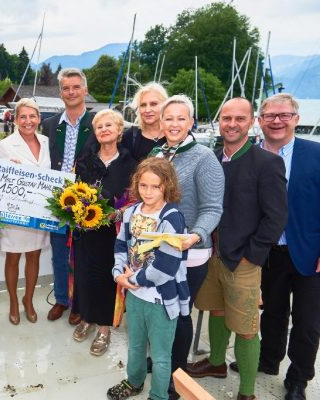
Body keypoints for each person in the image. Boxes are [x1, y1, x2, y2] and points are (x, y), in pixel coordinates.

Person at [185, 97, 288, 400]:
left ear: (252, 121)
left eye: (239, 119)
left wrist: (251, 255)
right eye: (226, 118)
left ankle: (247, 392)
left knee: (245, 326)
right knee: (216, 310)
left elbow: (276, 217)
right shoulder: (210, 157)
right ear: (219, 121)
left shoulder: (267, 162)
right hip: (210, 253)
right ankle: (217, 363)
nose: (231, 124)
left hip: (243, 259)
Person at [150, 94, 224, 398]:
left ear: (191, 122)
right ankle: (160, 362)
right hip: (155, 249)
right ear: (161, 121)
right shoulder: (156, 152)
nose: (175, 124)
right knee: (157, 312)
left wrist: (195, 236)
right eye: (169, 118)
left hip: (189, 253)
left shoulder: (204, 157)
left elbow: (212, 209)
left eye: (181, 118)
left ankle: (174, 378)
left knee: (178, 315)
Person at [107, 157, 188, 400]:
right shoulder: (131, 212)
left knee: (162, 356)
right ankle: (134, 381)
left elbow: (167, 265)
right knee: (135, 346)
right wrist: (118, 273)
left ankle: (159, 395)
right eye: (143, 186)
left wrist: (136, 279)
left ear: (167, 186)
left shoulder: (172, 218)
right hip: (134, 294)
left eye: (156, 186)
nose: (149, 192)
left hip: (160, 300)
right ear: (136, 185)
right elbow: (121, 244)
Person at [256, 93, 320, 400]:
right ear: (260, 121)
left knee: (307, 322)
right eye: (270, 116)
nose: (277, 121)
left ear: (296, 119)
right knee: (272, 314)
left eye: (284, 115)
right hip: (269, 254)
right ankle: (268, 361)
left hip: (310, 253)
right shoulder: (251, 154)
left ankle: (298, 379)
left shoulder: (315, 153)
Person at [71, 109, 136, 355]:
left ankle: (104, 328)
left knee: (109, 278)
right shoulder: (85, 160)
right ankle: (87, 318)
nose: (104, 130)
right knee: (85, 275)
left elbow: (136, 201)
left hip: (114, 234)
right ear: (95, 133)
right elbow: (72, 193)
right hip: (86, 232)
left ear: (120, 131)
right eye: (99, 127)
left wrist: (117, 214)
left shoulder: (131, 164)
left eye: (110, 125)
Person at [41, 67, 96, 324]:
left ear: (85, 90)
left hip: (88, 202)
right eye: (66, 88)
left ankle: (79, 303)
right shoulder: (50, 125)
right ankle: (62, 299)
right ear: (60, 92)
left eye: (76, 87)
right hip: (56, 202)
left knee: (83, 255)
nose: (71, 92)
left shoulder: (97, 123)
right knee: (59, 253)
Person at [0, 99, 51, 325]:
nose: (28, 121)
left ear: (38, 118)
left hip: (40, 212)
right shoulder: (5, 145)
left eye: (32, 116)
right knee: (12, 257)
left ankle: (28, 299)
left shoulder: (47, 142)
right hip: (16, 215)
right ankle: (12, 301)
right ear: (16, 119)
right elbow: (1, 179)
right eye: (23, 117)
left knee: (34, 255)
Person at [122, 82, 168, 161]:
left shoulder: (175, 134)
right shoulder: (129, 137)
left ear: (165, 105)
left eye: (153, 104)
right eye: (143, 105)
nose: (147, 110)